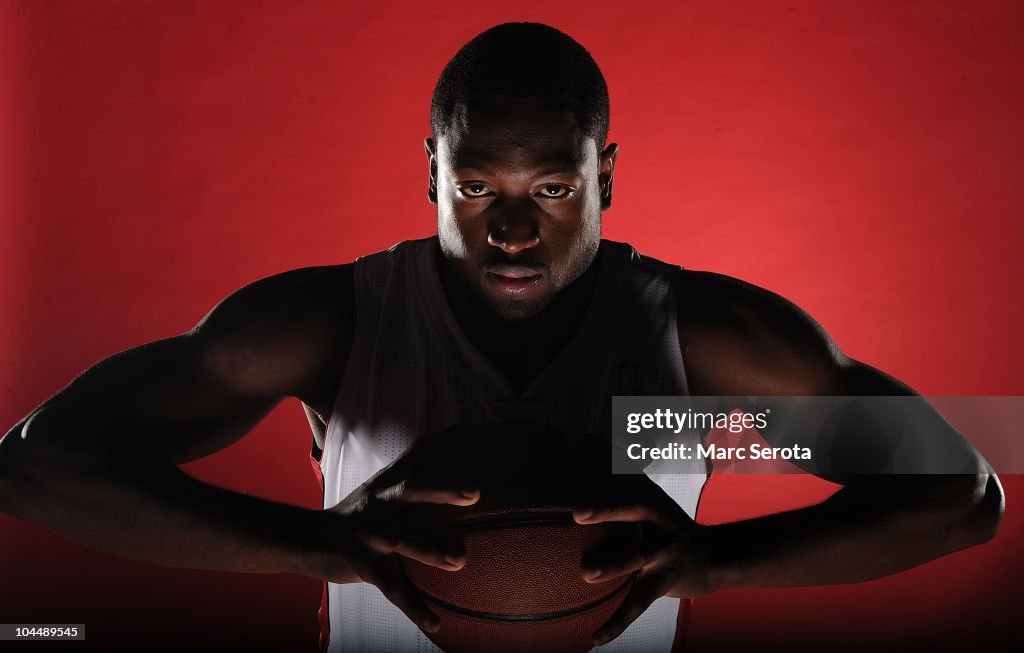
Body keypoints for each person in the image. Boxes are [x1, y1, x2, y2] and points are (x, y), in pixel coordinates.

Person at [0, 22, 1003, 653]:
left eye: (554, 189)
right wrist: (320, 544)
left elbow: (958, 496)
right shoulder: (336, 323)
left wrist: (713, 563)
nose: (512, 228)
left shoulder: (698, 348)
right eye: (475, 185)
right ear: (431, 173)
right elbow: (35, 466)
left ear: (603, 178)